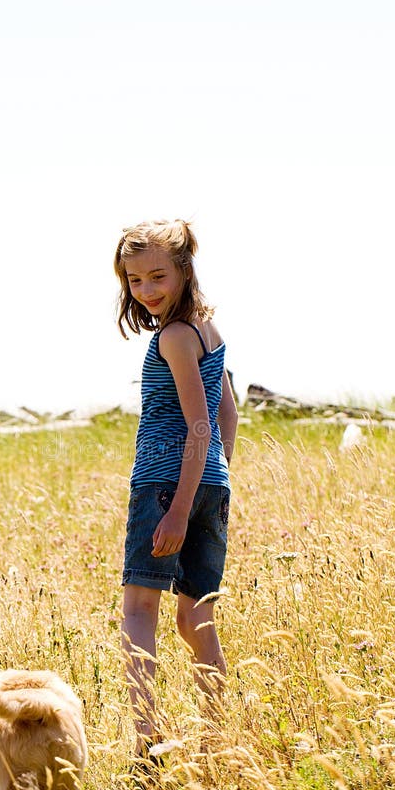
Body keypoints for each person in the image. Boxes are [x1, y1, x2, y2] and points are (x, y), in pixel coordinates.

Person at [114, 219, 239, 762]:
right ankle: (221, 731)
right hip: (206, 483)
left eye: (158, 276)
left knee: (140, 610)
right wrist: (217, 476)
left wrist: (180, 509)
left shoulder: (174, 335)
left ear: (186, 269)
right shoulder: (207, 330)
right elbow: (226, 413)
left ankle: (145, 740)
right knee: (195, 615)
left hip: (167, 486)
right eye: (135, 280)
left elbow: (199, 425)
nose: (147, 290)